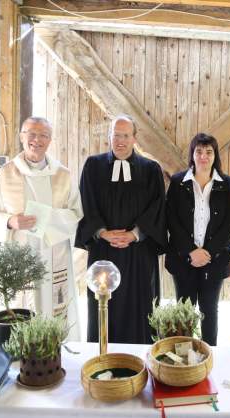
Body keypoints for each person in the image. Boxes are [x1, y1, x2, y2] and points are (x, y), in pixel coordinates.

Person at [0, 116, 83, 340]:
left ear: (50, 140)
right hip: (17, 252)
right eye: (31, 134)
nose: (37, 140)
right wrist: (10, 221)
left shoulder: (63, 175)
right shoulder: (5, 173)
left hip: (51, 254)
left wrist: (48, 219)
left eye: (43, 135)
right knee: (19, 304)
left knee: (50, 307)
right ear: (21, 137)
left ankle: (53, 353)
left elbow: (77, 214)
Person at [75, 114, 167, 344]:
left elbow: (157, 208)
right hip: (103, 252)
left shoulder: (151, 169)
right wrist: (102, 232)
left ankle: (140, 362)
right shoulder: (93, 167)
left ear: (135, 138)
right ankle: (102, 358)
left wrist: (134, 234)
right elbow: (86, 202)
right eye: (116, 135)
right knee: (104, 306)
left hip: (139, 253)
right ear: (109, 137)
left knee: (140, 307)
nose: (120, 141)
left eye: (125, 135)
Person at [165, 133, 230, 346]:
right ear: (192, 154)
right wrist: (191, 252)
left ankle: (209, 356)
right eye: (199, 151)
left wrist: (207, 253)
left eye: (208, 152)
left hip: (213, 260)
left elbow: (229, 223)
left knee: (209, 310)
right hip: (183, 259)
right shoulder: (178, 182)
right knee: (185, 310)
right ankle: (183, 360)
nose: (203, 156)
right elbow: (171, 219)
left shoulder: (227, 184)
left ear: (215, 156)